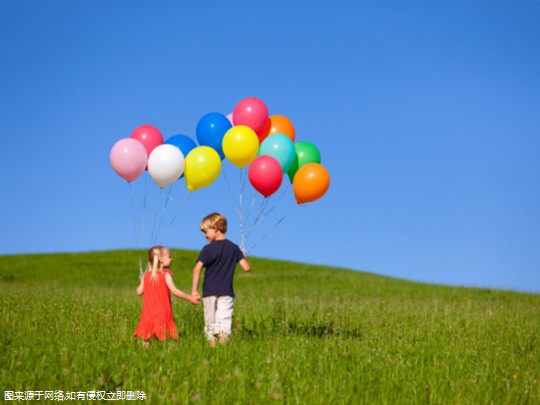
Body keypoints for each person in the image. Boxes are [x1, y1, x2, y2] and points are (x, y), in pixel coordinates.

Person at [191, 213, 251, 347]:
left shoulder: (207, 249)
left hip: (209, 291)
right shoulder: (234, 248)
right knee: (224, 320)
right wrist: (241, 255)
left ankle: (212, 348)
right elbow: (246, 268)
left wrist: (194, 291)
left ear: (216, 228)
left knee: (210, 321)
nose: (204, 235)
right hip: (226, 291)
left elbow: (197, 269)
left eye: (206, 232)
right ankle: (223, 348)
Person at [134, 246, 199, 345]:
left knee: (147, 337)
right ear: (161, 259)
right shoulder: (165, 274)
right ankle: (172, 353)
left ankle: (144, 354)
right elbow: (174, 290)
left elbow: (139, 292)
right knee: (168, 337)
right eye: (169, 256)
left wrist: (141, 280)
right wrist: (190, 297)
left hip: (148, 313)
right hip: (162, 312)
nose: (171, 259)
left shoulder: (146, 276)